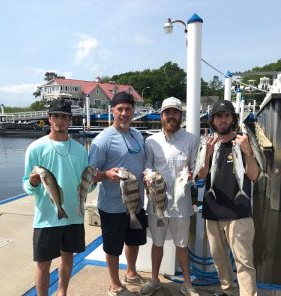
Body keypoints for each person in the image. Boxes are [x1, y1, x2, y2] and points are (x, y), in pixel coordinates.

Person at [22, 98, 89, 296]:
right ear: (49, 119)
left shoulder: (80, 150)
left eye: (64, 117)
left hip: (74, 217)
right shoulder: (35, 148)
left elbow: (86, 185)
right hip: (46, 219)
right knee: (43, 265)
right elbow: (26, 185)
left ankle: (62, 293)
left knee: (68, 258)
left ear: (70, 120)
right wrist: (33, 182)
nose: (60, 120)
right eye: (56, 116)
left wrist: (94, 180)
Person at [88, 91, 147, 296]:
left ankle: (131, 272)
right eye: (120, 109)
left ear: (133, 112)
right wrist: (105, 174)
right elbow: (90, 175)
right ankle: (114, 285)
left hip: (136, 203)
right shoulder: (102, 140)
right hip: (112, 206)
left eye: (128, 109)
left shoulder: (137, 135)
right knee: (113, 247)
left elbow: (143, 163)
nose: (124, 113)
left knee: (134, 241)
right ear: (112, 111)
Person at [139, 97, 200, 296]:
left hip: (181, 204)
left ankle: (187, 283)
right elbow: (147, 166)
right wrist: (147, 176)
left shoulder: (192, 139)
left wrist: (193, 174)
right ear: (161, 115)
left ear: (180, 115)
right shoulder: (150, 141)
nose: (171, 116)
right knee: (157, 244)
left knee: (182, 244)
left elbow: (196, 169)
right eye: (167, 112)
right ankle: (155, 279)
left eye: (175, 112)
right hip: (157, 203)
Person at [198, 100, 259, 296]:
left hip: (239, 213)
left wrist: (248, 152)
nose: (223, 119)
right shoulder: (208, 144)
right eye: (218, 116)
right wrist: (206, 155)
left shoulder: (243, 142)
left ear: (233, 118)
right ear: (213, 121)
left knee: (244, 261)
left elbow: (254, 175)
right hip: (212, 211)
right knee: (219, 257)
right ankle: (229, 290)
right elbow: (200, 175)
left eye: (226, 115)